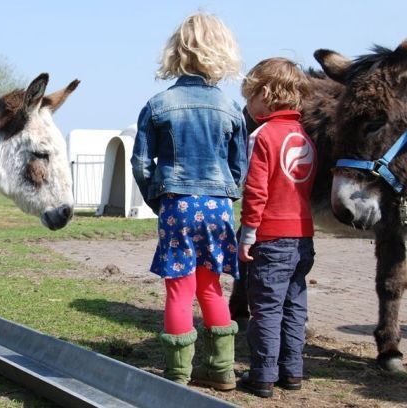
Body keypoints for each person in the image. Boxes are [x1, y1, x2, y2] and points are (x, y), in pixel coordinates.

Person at [130, 12, 247, 390]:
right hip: (217, 207)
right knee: (210, 287)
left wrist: (157, 200)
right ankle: (222, 371)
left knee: (179, 288)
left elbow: (141, 163)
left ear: (176, 52)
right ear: (222, 52)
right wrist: (224, 198)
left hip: (177, 205)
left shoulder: (158, 104)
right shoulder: (231, 108)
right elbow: (238, 166)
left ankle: (178, 374)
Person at [236, 57, 315, 398]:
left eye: (249, 96)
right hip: (303, 237)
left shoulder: (263, 135)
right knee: (294, 306)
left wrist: (248, 234)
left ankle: (263, 375)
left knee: (266, 307)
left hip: (270, 237)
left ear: (265, 94)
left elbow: (256, 191)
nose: (247, 105)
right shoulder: (304, 137)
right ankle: (293, 371)